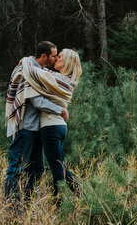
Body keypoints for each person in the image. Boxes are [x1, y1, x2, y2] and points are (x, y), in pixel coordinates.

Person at [4, 41, 68, 206]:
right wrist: (59, 109)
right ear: (44, 56)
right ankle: (11, 205)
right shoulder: (27, 71)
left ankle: (27, 205)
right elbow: (37, 101)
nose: (55, 59)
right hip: (24, 128)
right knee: (16, 168)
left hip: (36, 128)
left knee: (37, 168)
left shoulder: (37, 71)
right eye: (54, 56)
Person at [38, 48, 83, 200]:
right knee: (60, 168)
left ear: (67, 62)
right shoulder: (64, 79)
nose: (56, 58)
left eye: (60, 56)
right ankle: (81, 197)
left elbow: (35, 72)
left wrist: (26, 61)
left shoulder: (60, 79)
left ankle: (59, 205)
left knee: (57, 169)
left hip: (51, 127)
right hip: (57, 127)